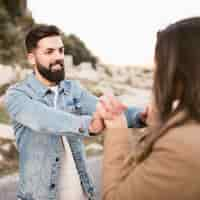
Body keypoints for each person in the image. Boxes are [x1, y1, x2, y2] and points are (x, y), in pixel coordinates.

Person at [4, 24, 144, 200]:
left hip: (82, 194)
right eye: (49, 52)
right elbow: (44, 119)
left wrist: (141, 116)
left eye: (60, 50)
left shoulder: (74, 89)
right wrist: (89, 125)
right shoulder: (17, 95)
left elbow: (108, 111)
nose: (58, 57)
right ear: (32, 58)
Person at [97, 17, 200, 200]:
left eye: (159, 65)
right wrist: (160, 124)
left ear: (179, 71)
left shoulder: (181, 147)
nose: (156, 74)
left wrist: (117, 128)